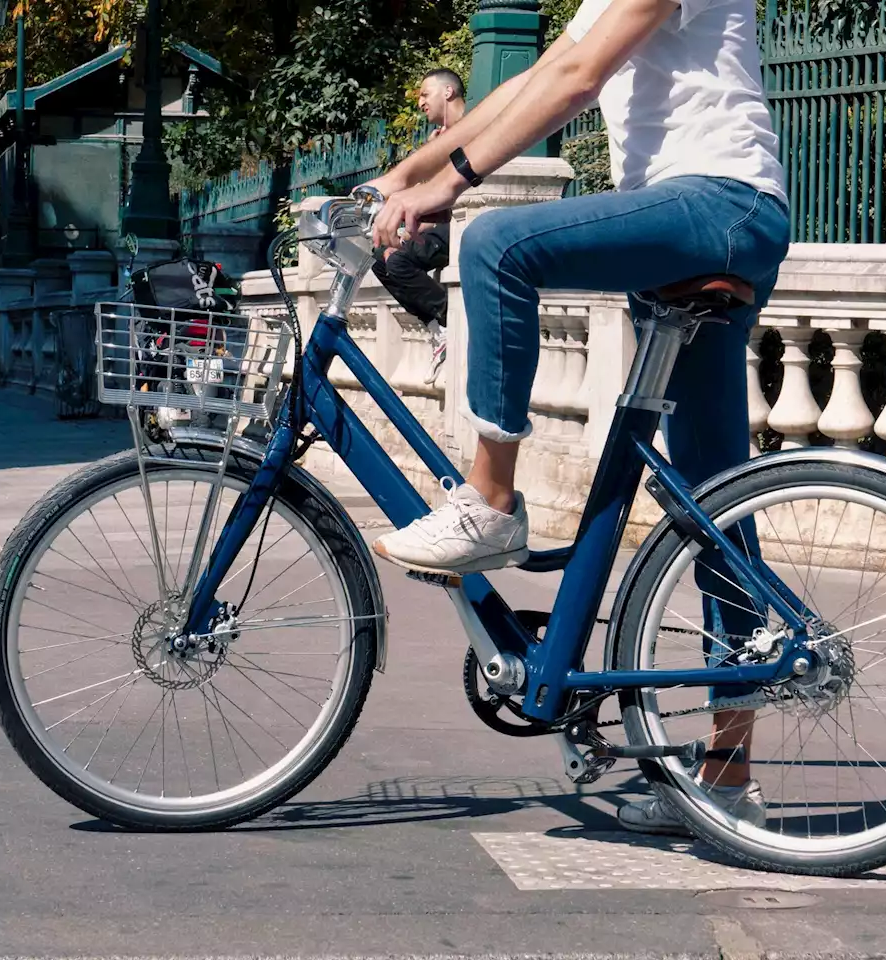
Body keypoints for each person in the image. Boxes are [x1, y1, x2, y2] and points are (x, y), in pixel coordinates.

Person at [364, 0, 790, 836]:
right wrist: (406, 172)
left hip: (720, 204)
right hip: (697, 222)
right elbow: (529, 77)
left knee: (495, 246)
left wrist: (450, 187)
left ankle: (491, 504)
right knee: (715, 504)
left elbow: (573, 79)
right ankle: (728, 773)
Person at [371, 69, 467, 385]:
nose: (421, 102)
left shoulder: (471, 130)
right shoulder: (438, 140)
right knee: (379, 257)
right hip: (446, 225)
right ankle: (439, 330)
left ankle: (455, 320)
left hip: (468, 225)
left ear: (448, 92)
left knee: (398, 260)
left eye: (426, 94)